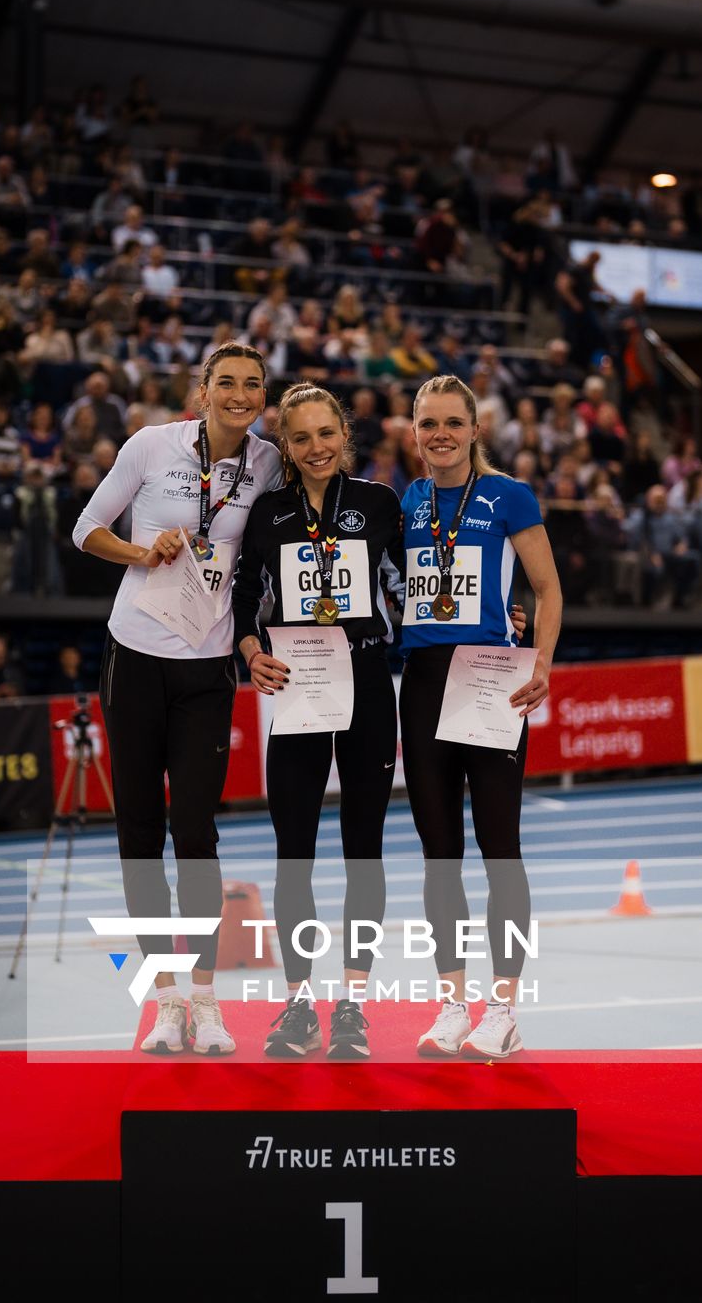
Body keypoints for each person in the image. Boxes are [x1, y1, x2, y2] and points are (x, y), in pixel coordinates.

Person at [72, 344, 282, 1056]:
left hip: (206, 666)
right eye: (226, 382)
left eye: (252, 385)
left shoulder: (268, 463)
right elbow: (85, 529)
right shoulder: (150, 444)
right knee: (139, 833)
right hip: (133, 656)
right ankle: (166, 1004)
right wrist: (141, 552)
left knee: (195, 834)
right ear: (203, 389)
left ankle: (205, 1000)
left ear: (263, 396)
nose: (239, 394)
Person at [233, 384, 405, 1062]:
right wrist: (252, 652)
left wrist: (504, 619)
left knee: (364, 853)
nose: (316, 448)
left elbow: (420, 576)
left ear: (344, 434)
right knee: (293, 857)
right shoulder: (269, 513)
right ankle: (299, 1004)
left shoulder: (379, 504)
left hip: (366, 682)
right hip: (299, 685)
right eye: (300, 438)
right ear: (285, 446)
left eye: (326, 433)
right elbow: (246, 596)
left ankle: (353, 1007)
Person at [399, 375, 562, 1060]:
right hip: (423, 684)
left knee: (501, 851)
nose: (439, 434)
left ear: (474, 430)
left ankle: (503, 1008)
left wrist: (542, 660)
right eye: (427, 423)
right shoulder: (408, 501)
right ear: (415, 433)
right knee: (440, 858)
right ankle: (452, 1005)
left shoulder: (508, 496)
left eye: (451, 423)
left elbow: (548, 588)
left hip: (489, 681)